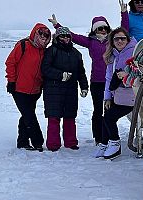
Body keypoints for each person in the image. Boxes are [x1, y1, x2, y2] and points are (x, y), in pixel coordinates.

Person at [48, 15, 111, 145]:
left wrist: (123, 13)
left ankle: (110, 137)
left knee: (110, 111)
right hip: (97, 81)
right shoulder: (90, 41)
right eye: (100, 28)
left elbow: (126, 31)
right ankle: (99, 138)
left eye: (105, 27)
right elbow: (71, 36)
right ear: (94, 30)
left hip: (112, 81)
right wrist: (57, 25)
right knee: (98, 110)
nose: (103, 30)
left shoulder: (113, 40)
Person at [40, 27, 89, 152]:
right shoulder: (51, 51)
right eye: (62, 36)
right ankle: (53, 144)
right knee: (53, 117)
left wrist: (84, 87)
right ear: (57, 38)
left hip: (71, 89)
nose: (65, 39)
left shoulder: (76, 53)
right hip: (53, 90)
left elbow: (81, 72)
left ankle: (70, 142)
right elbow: (45, 68)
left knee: (70, 116)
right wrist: (60, 75)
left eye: (67, 36)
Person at [5, 23, 51, 152]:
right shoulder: (23, 45)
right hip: (19, 88)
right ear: (35, 33)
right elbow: (10, 62)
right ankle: (38, 141)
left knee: (26, 115)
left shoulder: (44, 50)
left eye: (46, 35)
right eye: (41, 33)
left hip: (35, 90)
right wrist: (11, 81)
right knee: (29, 115)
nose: (43, 37)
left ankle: (22, 142)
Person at [94, 27, 137, 160]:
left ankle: (115, 143)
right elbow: (108, 78)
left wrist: (128, 73)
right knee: (106, 116)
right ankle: (104, 143)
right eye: (116, 38)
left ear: (128, 39)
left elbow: (142, 71)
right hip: (116, 94)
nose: (120, 41)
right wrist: (107, 98)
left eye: (122, 38)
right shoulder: (111, 55)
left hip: (131, 95)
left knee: (109, 117)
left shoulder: (135, 52)